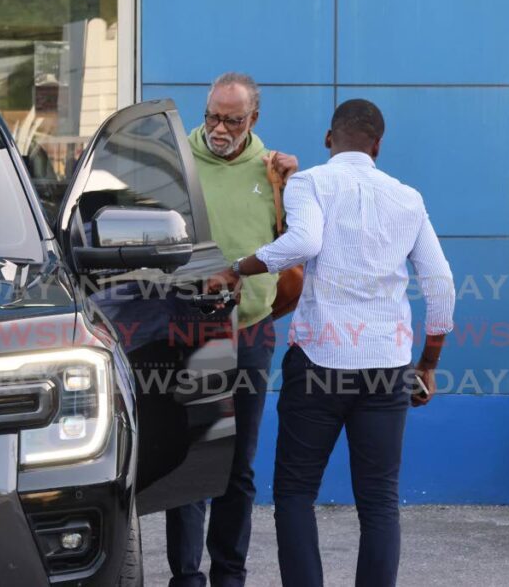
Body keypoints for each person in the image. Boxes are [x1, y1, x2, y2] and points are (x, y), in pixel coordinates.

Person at [209, 99, 456, 587]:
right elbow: (441, 285)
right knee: (380, 500)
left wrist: (238, 268)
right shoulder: (408, 198)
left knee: (296, 493)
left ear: (328, 139)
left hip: (319, 364)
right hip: (388, 366)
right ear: (378, 146)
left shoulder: (311, 182)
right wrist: (427, 363)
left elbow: (302, 244)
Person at [165, 72, 298, 587]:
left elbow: (293, 243)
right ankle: (185, 575)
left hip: (250, 334)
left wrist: (290, 186)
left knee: (237, 465)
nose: (219, 128)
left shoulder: (272, 172)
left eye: (232, 120)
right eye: (212, 116)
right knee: (189, 458)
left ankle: (229, 573)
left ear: (253, 120)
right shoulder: (179, 162)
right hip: (187, 333)